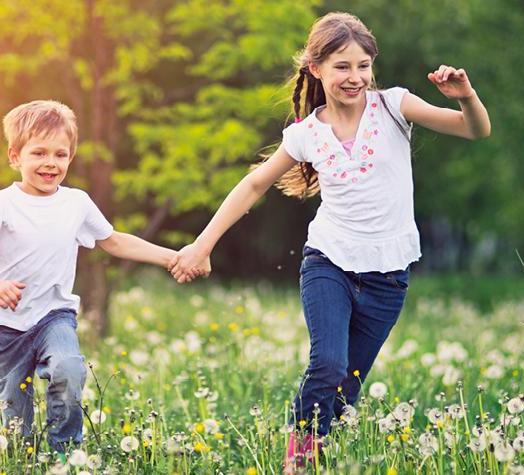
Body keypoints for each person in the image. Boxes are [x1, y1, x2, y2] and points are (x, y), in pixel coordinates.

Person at [168, 12, 491, 472]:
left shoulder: (395, 106)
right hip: (329, 263)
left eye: (363, 65)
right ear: (316, 68)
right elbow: (254, 185)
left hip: (388, 275)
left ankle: (318, 454)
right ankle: (296, 463)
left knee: (347, 387)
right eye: (342, 66)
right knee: (327, 364)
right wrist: (202, 246)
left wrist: (467, 98)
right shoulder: (305, 134)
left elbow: (475, 130)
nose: (355, 77)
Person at [0, 100, 197, 452]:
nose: (51, 163)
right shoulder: (0, 205)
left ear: (70, 157)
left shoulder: (76, 203)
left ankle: (64, 452)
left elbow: (114, 241)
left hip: (55, 315)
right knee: (14, 418)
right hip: (4, 324)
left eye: (60, 154)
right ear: (15, 157)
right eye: (39, 153)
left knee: (69, 369)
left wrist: (173, 257)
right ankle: (19, 457)